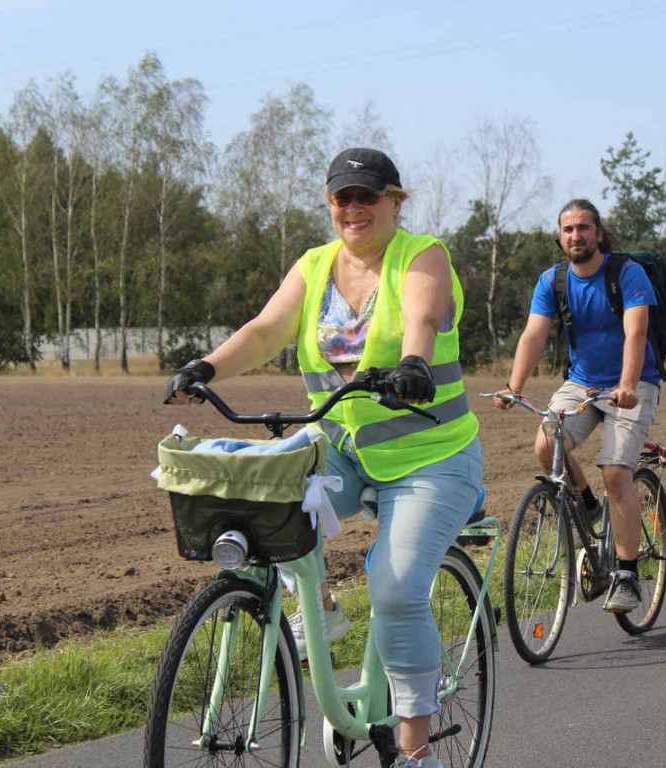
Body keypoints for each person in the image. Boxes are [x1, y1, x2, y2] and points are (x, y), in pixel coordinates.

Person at [164, 147, 482, 768]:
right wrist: (206, 366)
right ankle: (322, 618)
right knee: (262, 508)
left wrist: (413, 364)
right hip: (342, 449)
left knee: (394, 589)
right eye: (343, 197)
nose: (354, 208)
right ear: (329, 204)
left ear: (396, 200)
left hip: (433, 458)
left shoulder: (422, 255)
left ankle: (418, 752)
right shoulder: (314, 266)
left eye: (368, 196)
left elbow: (422, 314)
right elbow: (264, 330)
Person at [496, 198, 661, 613]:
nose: (576, 236)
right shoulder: (552, 281)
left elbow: (635, 332)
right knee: (546, 443)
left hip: (632, 382)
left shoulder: (627, 273)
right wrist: (513, 386)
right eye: (568, 229)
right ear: (560, 235)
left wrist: (626, 385)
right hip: (584, 382)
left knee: (617, 472)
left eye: (583, 228)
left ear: (598, 233)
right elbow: (534, 334)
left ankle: (626, 573)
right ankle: (587, 504)